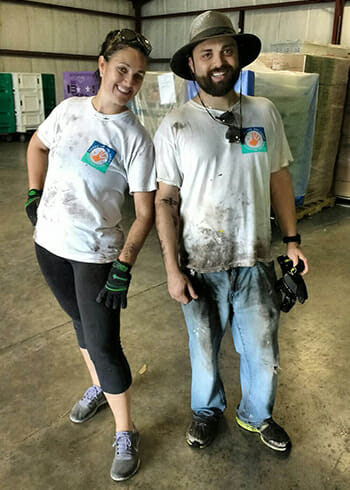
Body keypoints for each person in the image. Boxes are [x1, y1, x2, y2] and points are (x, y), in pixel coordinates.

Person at [154, 10, 308, 452]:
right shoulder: (177, 124)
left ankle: (256, 416)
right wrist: (171, 269)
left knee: (263, 350)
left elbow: (279, 178)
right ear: (192, 65)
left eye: (226, 51)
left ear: (238, 57)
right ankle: (206, 410)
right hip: (199, 265)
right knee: (203, 348)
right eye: (207, 54)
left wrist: (293, 241)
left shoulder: (264, 112)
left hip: (255, 260)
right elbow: (166, 201)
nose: (218, 61)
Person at [25, 28, 155, 481]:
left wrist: (124, 264)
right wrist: (33, 193)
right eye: (122, 69)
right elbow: (37, 145)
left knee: (103, 342)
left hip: (97, 255)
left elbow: (144, 212)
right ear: (101, 66)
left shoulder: (135, 138)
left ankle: (126, 430)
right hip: (49, 245)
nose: (128, 82)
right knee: (79, 323)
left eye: (137, 76)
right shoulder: (67, 112)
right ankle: (99, 386)